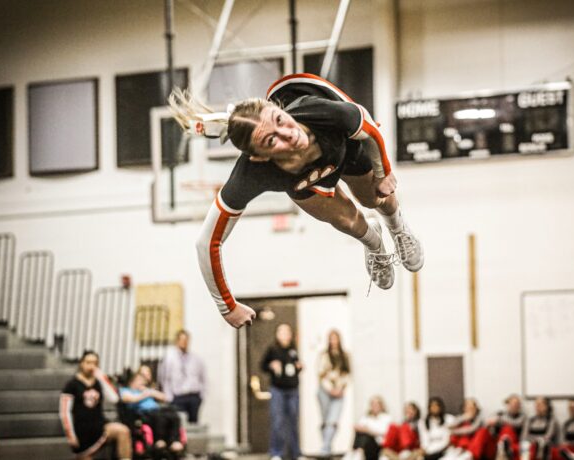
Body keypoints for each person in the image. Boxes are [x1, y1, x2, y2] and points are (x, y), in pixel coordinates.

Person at [169, 73, 424, 329]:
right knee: (347, 220)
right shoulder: (252, 174)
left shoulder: (323, 113)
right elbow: (207, 242)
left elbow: (368, 127)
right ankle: (375, 244)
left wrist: (384, 173)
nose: (287, 134)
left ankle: (399, 229)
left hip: (343, 147)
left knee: (376, 198)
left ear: (278, 109)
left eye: (280, 120)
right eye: (271, 140)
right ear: (259, 158)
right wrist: (227, 306)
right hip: (304, 181)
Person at [59, 350, 132, 460]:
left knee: (123, 431)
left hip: (100, 426)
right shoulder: (72, 385)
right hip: (82, 431)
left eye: (94, 363)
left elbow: (114, 398)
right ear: (81, 363)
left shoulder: (98, 382)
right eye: (88, 362)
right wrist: (71, 436)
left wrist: (102, 378)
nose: (91, 366)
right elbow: (65, 412)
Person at [261, 323, 303, 460]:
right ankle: (276, 452)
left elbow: (296, 367)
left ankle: (295, 453)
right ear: (277, 334)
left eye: (287, 332)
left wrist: (299, 367)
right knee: (278, 421)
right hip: (278, 389)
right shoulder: (272, 350)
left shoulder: (293, 350)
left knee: (293, 422)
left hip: (292, 389)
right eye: (282, 332)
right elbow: (262, 366)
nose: (285, 335)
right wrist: (271, 366)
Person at [119, 370, 183, 456]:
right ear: (132, 381)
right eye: (139, 380)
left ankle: (175, 441)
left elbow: (165, 398)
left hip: (157, 410)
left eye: (143, 381)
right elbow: (128, 399)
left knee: (173, 414)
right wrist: (145, 394)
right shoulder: (125, 390)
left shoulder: (145, 390)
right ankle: (159, 440)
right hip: (142, 413)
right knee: (159, 417)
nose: (142, 383)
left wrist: (150, 391)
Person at [160, 329, 206, 424]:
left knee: (194, 423)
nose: (184, 342)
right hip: (178, 396)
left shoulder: (195, 358)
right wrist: (169, 396)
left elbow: (203, 378)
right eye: (182, 339)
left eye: (186, 339)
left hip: (194, 395)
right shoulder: (170, 358)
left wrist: (201, 395)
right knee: (178, 423)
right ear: (177, 341)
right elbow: (164, 378)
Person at [318, 329, 351, 455]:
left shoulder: (345, 356)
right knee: (326, 421)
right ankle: (328, 446)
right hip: (325, 391)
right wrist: (330, 389)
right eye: (331, 338)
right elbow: (321, 375)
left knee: (333, 420)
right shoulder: (324, 356)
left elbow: (347, 374)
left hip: (339, 391)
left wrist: (340, 388)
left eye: (335, 338)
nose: (334, 341)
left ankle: (324, 449)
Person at [348, 395, 391, 460]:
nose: (374, 406)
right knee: (361, 434)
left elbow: (384, 431)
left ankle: (357, 455)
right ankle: (358, 452)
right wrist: (362, 429)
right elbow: (359, 427)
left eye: (377, 404)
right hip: (365, 446)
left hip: (378, 445)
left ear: (381, 405)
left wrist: (368, 430)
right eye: (373, 404)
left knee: (365, 435)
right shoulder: (366, 417)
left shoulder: (386, 417)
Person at [486, 394, 527, 460]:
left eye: (516, 404)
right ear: (508, 404)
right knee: (483, 431)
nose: (514, 406)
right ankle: (503, 448)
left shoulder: (522, 416)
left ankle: (504, 448)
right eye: (512, 403)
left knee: (507, 428)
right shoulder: (500, 413)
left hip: (514, 442)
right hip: (498, 440)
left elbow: (517, 423)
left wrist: (500, 420)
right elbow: (489, 423)